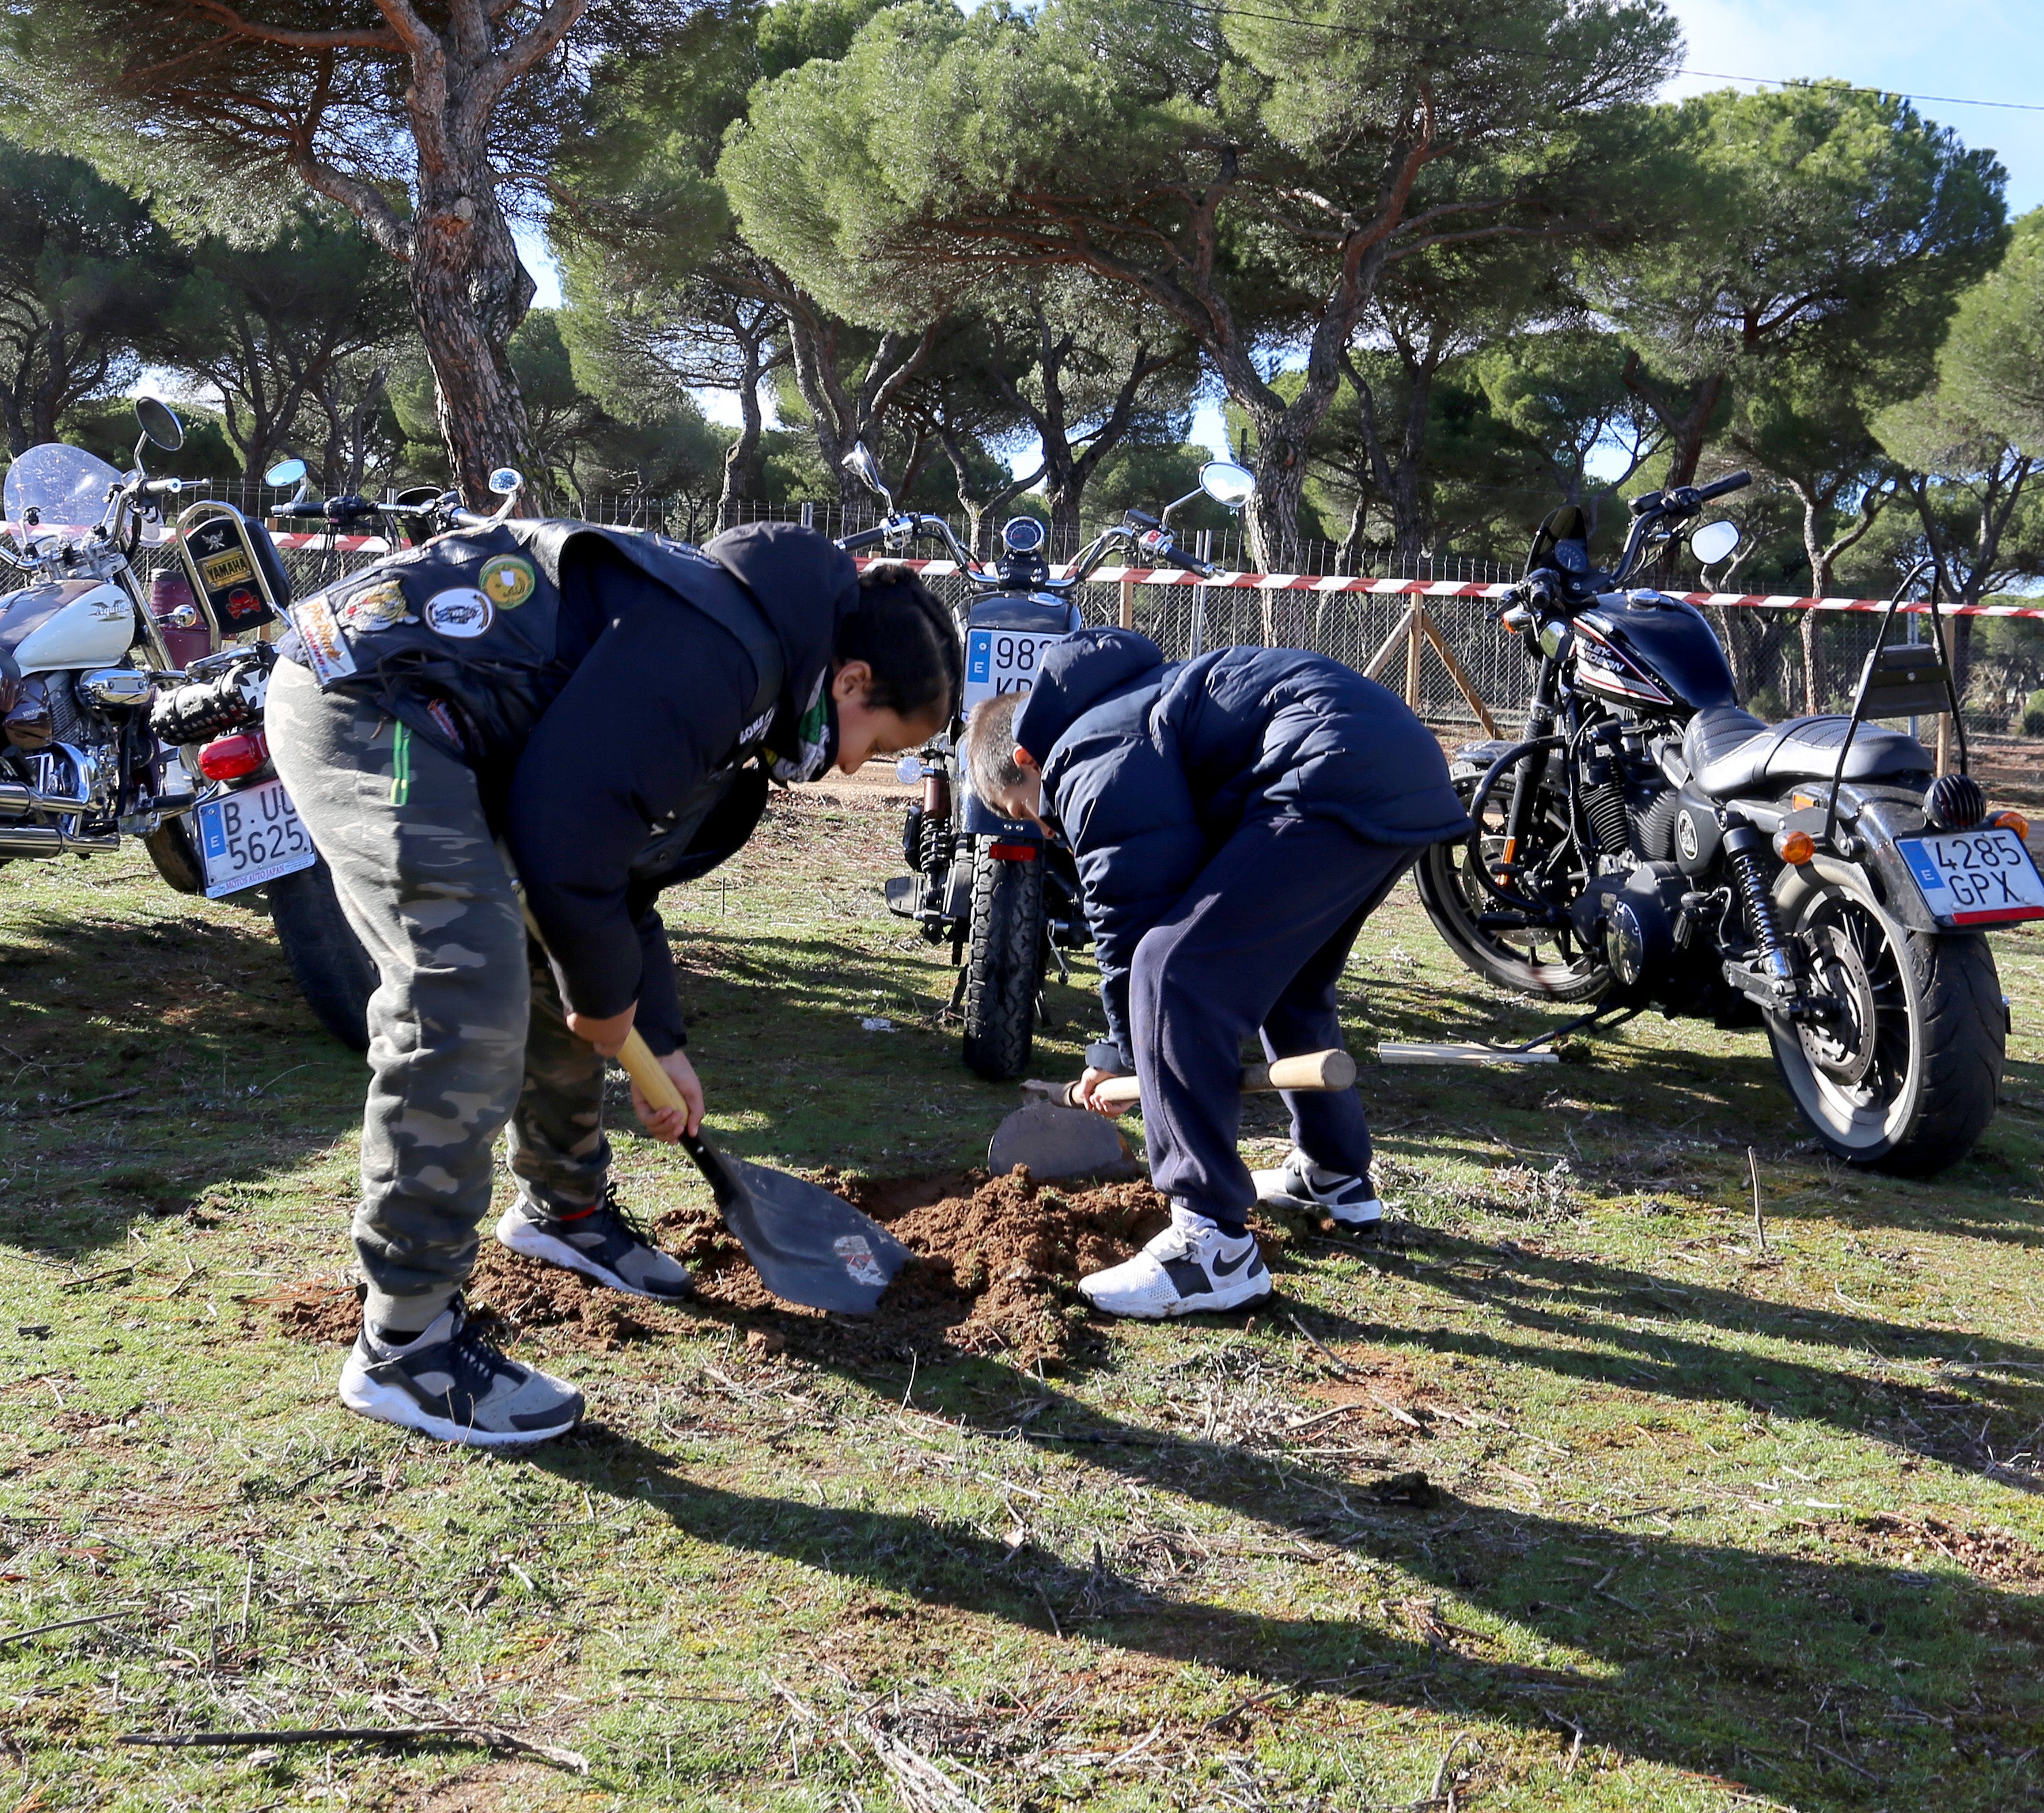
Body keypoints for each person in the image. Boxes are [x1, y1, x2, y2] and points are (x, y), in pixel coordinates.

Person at [265, 509, 958, 1446]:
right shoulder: (723, 652)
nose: (852, 767)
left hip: (458, 728)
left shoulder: (744, 680)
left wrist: (657, 1040)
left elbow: (617, 877)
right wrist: (607, 1004)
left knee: (569, 961)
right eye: (875, 744)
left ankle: (566, 1207)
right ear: (851, 680)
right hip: (373, 697)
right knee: (464, 992)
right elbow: (564, 839)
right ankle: (406, 1344)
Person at [964, 629, 1468, 1318]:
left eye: (1030, 811)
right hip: (1396, 764)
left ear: (1025, 760)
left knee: (1175, 973)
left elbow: (1133, 918)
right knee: (1288, 982)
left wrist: (1118, 1056)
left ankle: (1211, 1246)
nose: (1048, 830)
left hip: (1328, 767)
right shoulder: (1126, 705)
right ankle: (1333, 1174)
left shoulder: (1085, 750)